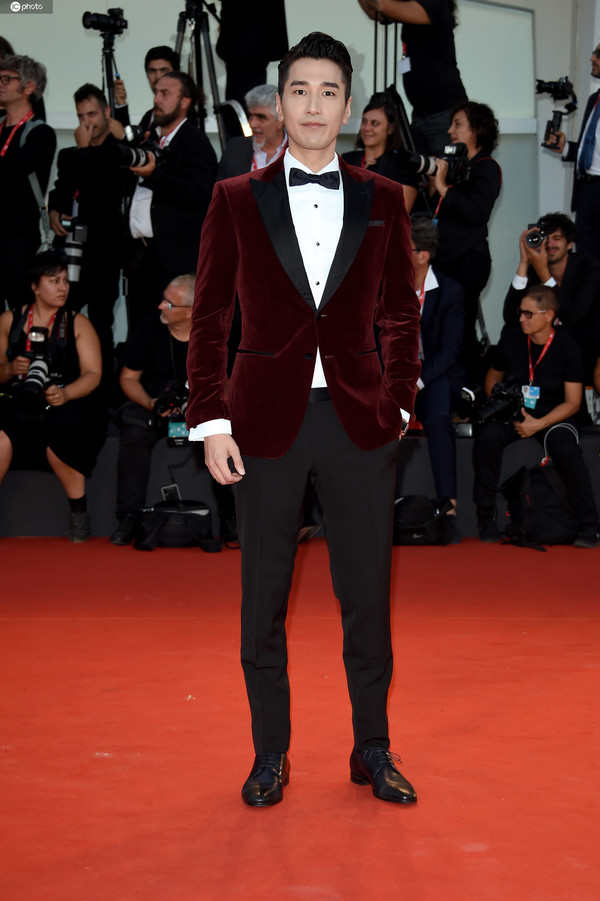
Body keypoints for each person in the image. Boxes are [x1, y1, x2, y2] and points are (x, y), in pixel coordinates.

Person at [186, 31, 421, 807]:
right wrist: (210, 419)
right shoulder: (233, 199)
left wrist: (400, 401)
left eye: (328, 91)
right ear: (279, 103)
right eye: (300, 90)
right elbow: (210, 317)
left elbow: (400, 314)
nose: (314, 105)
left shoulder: (384, 199)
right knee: (263, 599)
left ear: (347, 107)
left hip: (360, 421)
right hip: (261, 423)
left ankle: (372, 747)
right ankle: (269, 753)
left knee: (367, 597)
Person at [111, 274, 236, 546]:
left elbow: (231, 383)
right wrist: (151, 403)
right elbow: (128, 378)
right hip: (155, 407)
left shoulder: (216, 333)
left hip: (204, 408)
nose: (160, 306)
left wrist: (206, 404)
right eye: (163, 300)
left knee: (223, 432)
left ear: (191, 311)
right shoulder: (149, 328)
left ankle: (232, 520)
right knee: (134, 431)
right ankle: (128, 518)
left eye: (169, 304)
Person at [473, 284, 600, 547]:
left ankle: (589, 526)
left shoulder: (567, 345)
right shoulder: (512, 338)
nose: (521, 319)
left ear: (548, 315)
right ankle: (486, 520)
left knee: (565, 447)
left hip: (553, 415)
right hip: (516, 412)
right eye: (521, 312)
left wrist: (538, 424)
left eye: (528, 314)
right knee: (487, 437)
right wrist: (497, 401)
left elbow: (573, 402)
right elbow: (493, 375)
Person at [0, 251, 105, 542]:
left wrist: (66, 393)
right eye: (54, 281)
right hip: (17, 397)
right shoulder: (10, 319)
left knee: (65, 430)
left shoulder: (77, 322)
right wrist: (10, 369)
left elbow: (93, 374)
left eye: (65, 281)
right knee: (1, 435)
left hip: (63, 399)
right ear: (35, 286)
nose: (63, 288)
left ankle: (79, 516)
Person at [48, 84, 133, 396]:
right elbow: (61, 189)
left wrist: (85, 152)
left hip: (104, 252)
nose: (87, 123)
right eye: (81, 116)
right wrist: (54, 209)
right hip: (71, 250)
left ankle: (104, 390)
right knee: (63, 316)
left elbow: (102, 194)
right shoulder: (69, 154)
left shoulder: (117, 153)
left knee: (100, 321)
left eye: (93, 114)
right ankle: (64, 377)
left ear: (106, 113)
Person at [126, 71, 217, 331]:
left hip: (174, 259)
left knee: (169, 334)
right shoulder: (148, 138)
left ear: (185, 102)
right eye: (156, 92)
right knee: (139, 330)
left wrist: (154, 175)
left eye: (165, 93)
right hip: (141, 255)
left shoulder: (195, 143)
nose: (157, 99)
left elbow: (199, 194)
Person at [431, 100, 501, 384]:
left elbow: (476, 212)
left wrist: (442, 188)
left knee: (460, 330)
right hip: (444, 261)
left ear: (477, 130)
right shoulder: (455, 167)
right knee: (441, 330)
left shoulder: (487, 168)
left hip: (468, 262)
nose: (450, 131)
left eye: (458, 124)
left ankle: (469, 390)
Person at [503, 212, 600, 390]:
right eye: (545, 238)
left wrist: (544, 274)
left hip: (582, 342)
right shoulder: (534, 268)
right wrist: (524, 263)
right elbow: (510, 317)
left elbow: (572, 316)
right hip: (545, 347)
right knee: (510, 333)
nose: (550, 244)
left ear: (570, 244)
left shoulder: (588, 267)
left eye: (557, 238)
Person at [357, 0, 467, 154]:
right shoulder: (412, 14)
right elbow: (376, 13)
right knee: (420, 167)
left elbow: (381, 4)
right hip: (421, 114)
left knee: (446, 166)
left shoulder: (435, 4)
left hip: (444, 114)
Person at [410, 216, 464, 526]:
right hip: (395, 373)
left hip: (431, 374)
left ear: (423, 255)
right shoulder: (388, 286)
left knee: (440, 418)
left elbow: (449, 351)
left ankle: (449, 504)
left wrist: (418, 381)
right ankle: (373, 504)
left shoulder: (449, 291)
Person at [0, 55, 56, 312]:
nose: (0, 84)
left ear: (29, 87)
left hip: (19, 240)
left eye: (7, 79)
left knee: (20, 314)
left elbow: (12, 174)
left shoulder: (40, 133)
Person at [548, 41, 600, 261]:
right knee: (586, 260)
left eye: (598, 54)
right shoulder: (594, 99)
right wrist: (566, 147)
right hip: (587, 190)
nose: (592, 58)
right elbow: (591, 148)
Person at [342, 91, 419, 212]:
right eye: (364, 122)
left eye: (375, 123)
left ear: (390, 129)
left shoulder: (402, 166)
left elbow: (399, 215)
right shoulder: (347, 160)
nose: (367, 128)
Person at [216, 0, 288, 106]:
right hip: (255, 39)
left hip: (245, 38)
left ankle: (245, 113)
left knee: (244, 98)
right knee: (248, 95)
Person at [218, 84, 287, 179]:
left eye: (261, 117)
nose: (252, 124)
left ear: (281, 120)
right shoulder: (235, 149)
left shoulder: (300, 154)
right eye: (250, 116)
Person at [113, 45, 179, 130]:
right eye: (152, 71)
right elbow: (130, 138)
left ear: (176, 74)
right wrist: (121, 103)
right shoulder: (149, 116)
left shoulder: (183, 112)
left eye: (163, 70)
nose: (158, 77)